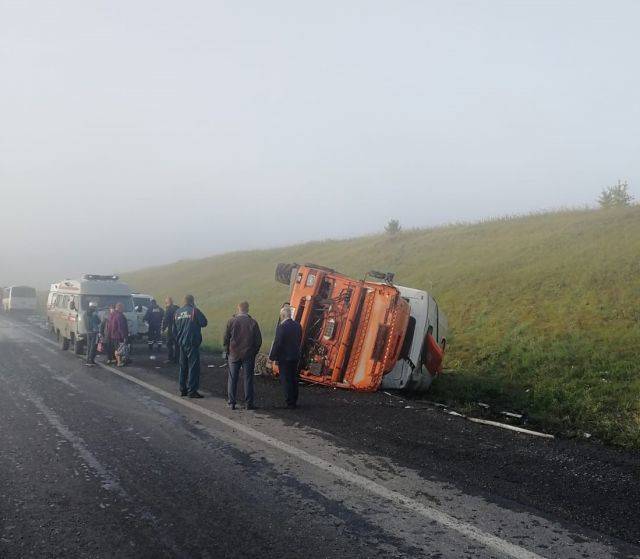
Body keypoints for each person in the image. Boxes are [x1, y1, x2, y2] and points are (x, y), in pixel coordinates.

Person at [223, 301, 262, 410]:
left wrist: (227, 351)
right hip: (248, 354)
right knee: (248, 379)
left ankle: (231, 403)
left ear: (238, 309)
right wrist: (254, 352)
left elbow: (226, 338)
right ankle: (249, 404)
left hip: (234, 354)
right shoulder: (253, 322)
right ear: (247, 309)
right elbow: (258, 340)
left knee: (232, 378)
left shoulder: (231, 321)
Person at [174, 294, 208, 398]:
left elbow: (175, 328)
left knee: (183, 366)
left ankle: (182, 389)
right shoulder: (194, 311)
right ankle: (192, 390)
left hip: (181, 342)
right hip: (192, 342)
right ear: (192, 301)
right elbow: (204, 323)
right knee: (193, 367)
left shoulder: (177, 312)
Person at [269, 305, 303, 408]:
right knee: (293, 378)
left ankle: (290, 402)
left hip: (284, 357)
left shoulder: (282, 327)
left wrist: (272, 357)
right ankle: (294, 399)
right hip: (295, 355)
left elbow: (278, 343)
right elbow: (299, 339)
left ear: (283, 315)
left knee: (286, 379)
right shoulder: (298, 326)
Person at [107, 302, 129, 367]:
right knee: (119, 349)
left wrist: (109, 334)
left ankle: (118, 361)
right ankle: (119, 362)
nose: (123, 309)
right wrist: (124, 336)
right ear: (120, 308)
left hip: (112, 335)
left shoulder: (111, 315)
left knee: (116, 348)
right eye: (122, 308)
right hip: (118, 335)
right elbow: (121, 327)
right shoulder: (119, 315)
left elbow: (109, 326)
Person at [162, 297, 179, 364]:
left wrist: (163, 328)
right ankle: (177, 359)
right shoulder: (178, 308)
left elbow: (166, 320)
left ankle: (170, 358)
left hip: (171, 329)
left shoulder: (168, 309)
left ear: (167, 302)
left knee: (169, 344)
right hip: (178, 329)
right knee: (177, 345)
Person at [84, 301, 101, 366]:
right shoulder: (94, 314)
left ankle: (88, 359)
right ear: (94, 307)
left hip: (88, 331)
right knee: (93, 346)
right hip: (94, 332)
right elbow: (98, 321)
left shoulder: (85, 313)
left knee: (89, 346)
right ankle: (91, 360)